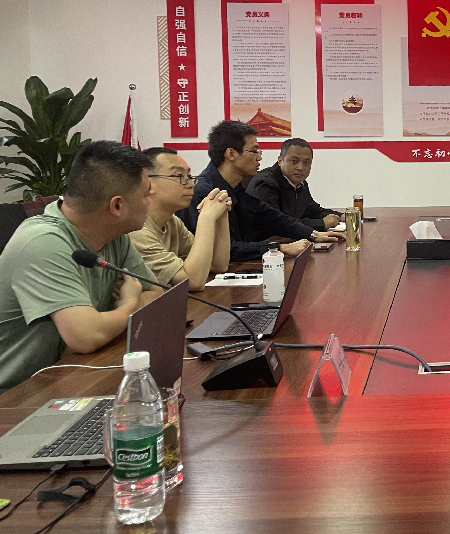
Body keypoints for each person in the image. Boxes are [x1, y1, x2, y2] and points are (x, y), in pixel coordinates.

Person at [0, 141, 160, 392]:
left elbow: (156, 296)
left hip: (74, 374)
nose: (150, 200)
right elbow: (86, 336)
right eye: (145, 194)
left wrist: (109, 319)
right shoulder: (42, 242)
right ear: (117, 206)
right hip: (17, 396)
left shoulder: (115, 236)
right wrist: (129, 303)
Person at [180, 121, 342, 262]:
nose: (259, 157)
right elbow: (226, 250)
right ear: (231, 154)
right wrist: (280, 248)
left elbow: (271, 216)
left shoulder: (235, 188)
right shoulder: (205, 192)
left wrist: (312, 234)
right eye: (254, 151)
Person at [130, 147, 232, 290]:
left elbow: (218, 265)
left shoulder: (172, 221)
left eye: (189, 176)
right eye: (179, 176)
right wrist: (206, 218)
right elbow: (193, 281)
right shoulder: (136, 230)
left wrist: (221, 215)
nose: (190, 184)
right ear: (148, 183)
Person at [246, 138, 342, 231]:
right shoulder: (265, 184)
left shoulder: (300, 183)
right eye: (294, 161)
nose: (300, 167)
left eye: (306, 162)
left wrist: (342, 216)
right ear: (280, 160)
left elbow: (313, 211)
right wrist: (321, 223)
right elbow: (275, 224)